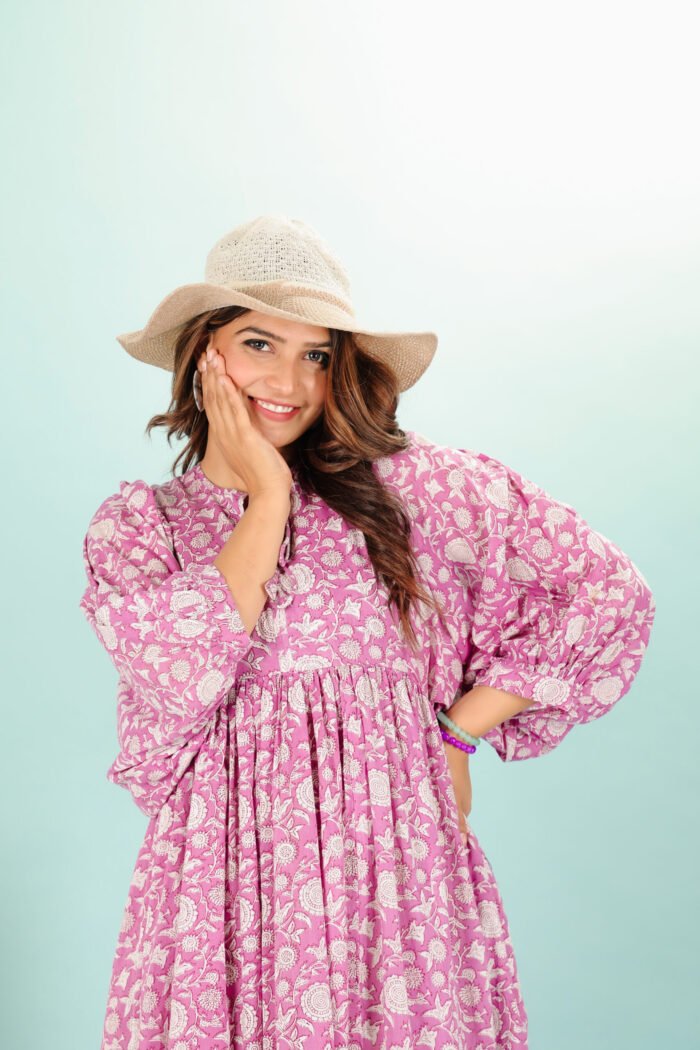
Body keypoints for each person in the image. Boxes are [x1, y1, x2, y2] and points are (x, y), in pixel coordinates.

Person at [78, 214, 656, 1049]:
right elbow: (188, 668)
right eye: (258, 344)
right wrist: (267, 499)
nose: (291, 381)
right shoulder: (143, 530)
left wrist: (456, 736)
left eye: (316, 354)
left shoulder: (416, 490)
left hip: (394, 875)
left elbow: (607, 593)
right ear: (202, 355)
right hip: (225, 889)